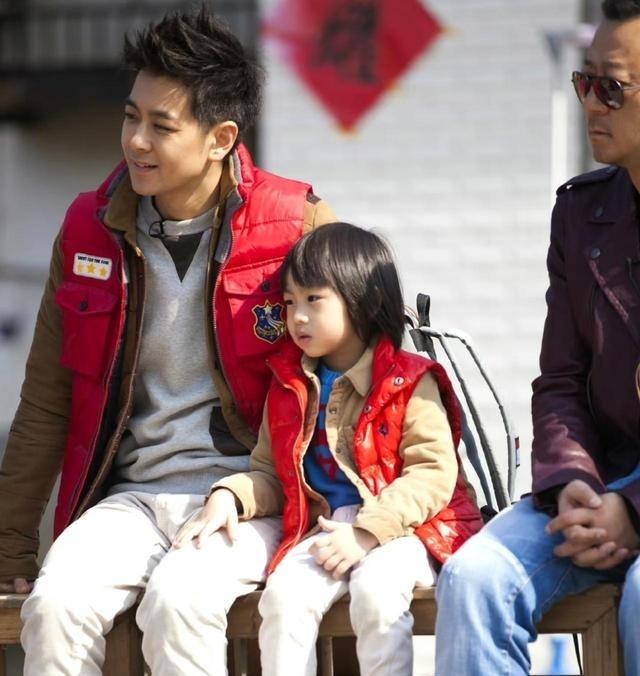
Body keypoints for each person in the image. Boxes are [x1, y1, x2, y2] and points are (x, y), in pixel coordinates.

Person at [0, 5, 335, 674]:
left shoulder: (298, 226)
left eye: (162, 125)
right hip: (128, 499)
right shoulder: (89, 231)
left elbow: (348, 386)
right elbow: (46, 398)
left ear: (220, 138)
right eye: (131, 117)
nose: (136, 141)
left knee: (178, 603)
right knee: (54, 608)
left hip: (250, 499)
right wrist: (11, 544)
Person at [176, 222, 483, 676]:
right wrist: (232, 495)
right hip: (325, 530)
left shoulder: (410, 379)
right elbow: (271, 474)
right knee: (283, 600)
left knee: (377, 593)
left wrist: (368, 532)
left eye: (313, 299)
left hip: (409, 528)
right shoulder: (288, 384)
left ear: (363, 300)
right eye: (289, 302)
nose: (297, 316)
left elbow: (432, 474)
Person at [435, 1, 640, 673]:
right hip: (597, 483)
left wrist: (632, 509)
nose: (591, 103)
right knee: (473, 580)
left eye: (611, 87)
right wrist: (573, 481)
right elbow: (560, 382)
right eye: (585, 81)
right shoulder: (583, 212)